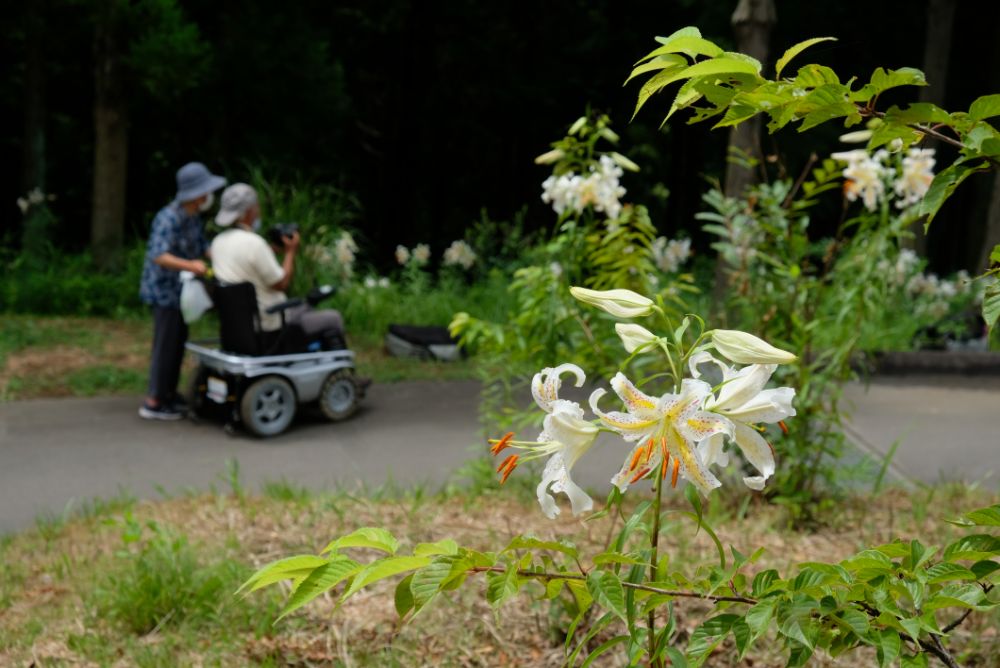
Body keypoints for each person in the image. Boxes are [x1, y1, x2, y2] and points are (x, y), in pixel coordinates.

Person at [210, 182, 353, 351]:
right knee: (332, 318)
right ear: (249, 211)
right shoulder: (255, 244)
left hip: (238, 325)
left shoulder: (217, 242)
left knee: (305, 306)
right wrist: (290, 252)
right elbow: (281, 284)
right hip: (270, 322)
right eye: (256, 207)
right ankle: (343, 373)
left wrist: (271, 250)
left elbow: (243, 262)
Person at [138, 162, 226, 420]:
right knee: (166, 344)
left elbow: (203, 247)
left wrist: (226, 254)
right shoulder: (169, 217)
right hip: (164, 293)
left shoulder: (192, 218)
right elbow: (159, 255)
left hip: (182, 295)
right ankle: (154, 400)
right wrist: (191, 265)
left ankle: (168, 394)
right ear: (198, 194)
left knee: (177, 343)